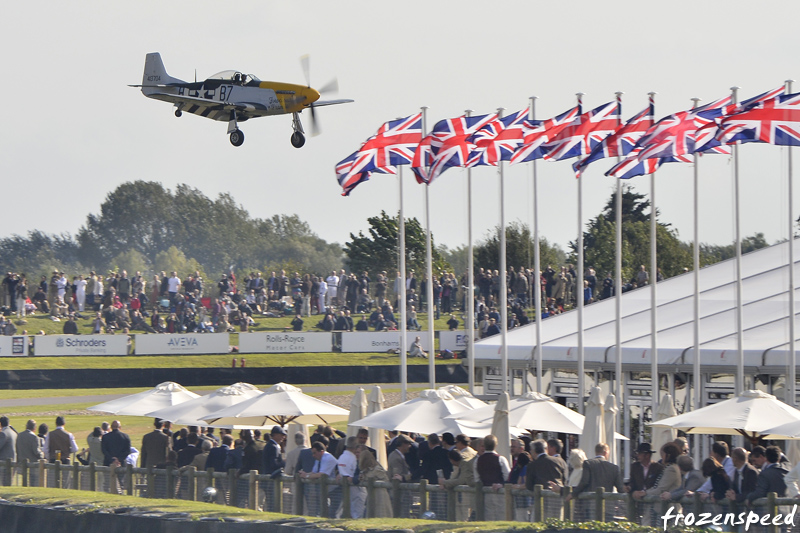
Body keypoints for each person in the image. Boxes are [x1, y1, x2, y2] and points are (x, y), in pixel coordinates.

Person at [475, 434, 510, 521]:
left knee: (488, 518)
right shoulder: (501, 459)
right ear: (496, 445)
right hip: (500, 493)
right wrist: (501, 484)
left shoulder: (477, 460)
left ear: (484, 445)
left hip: (485, 493)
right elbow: (507, 476)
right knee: (501, 518)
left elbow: (477, 479)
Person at [358, 447, 393, 517]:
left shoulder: (377, 469)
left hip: (380, 496)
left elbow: (386, 480)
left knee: (381, 514)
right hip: (371, 496)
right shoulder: (365, 471)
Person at [16, 419, 43, 486]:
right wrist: (42, 454)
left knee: (24, 481)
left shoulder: (19, 435)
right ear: (35, 428)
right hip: (32, 464)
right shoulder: (34, 437)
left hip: (21, 463)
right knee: (33, 483)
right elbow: (36, 451)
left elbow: (17, 448)